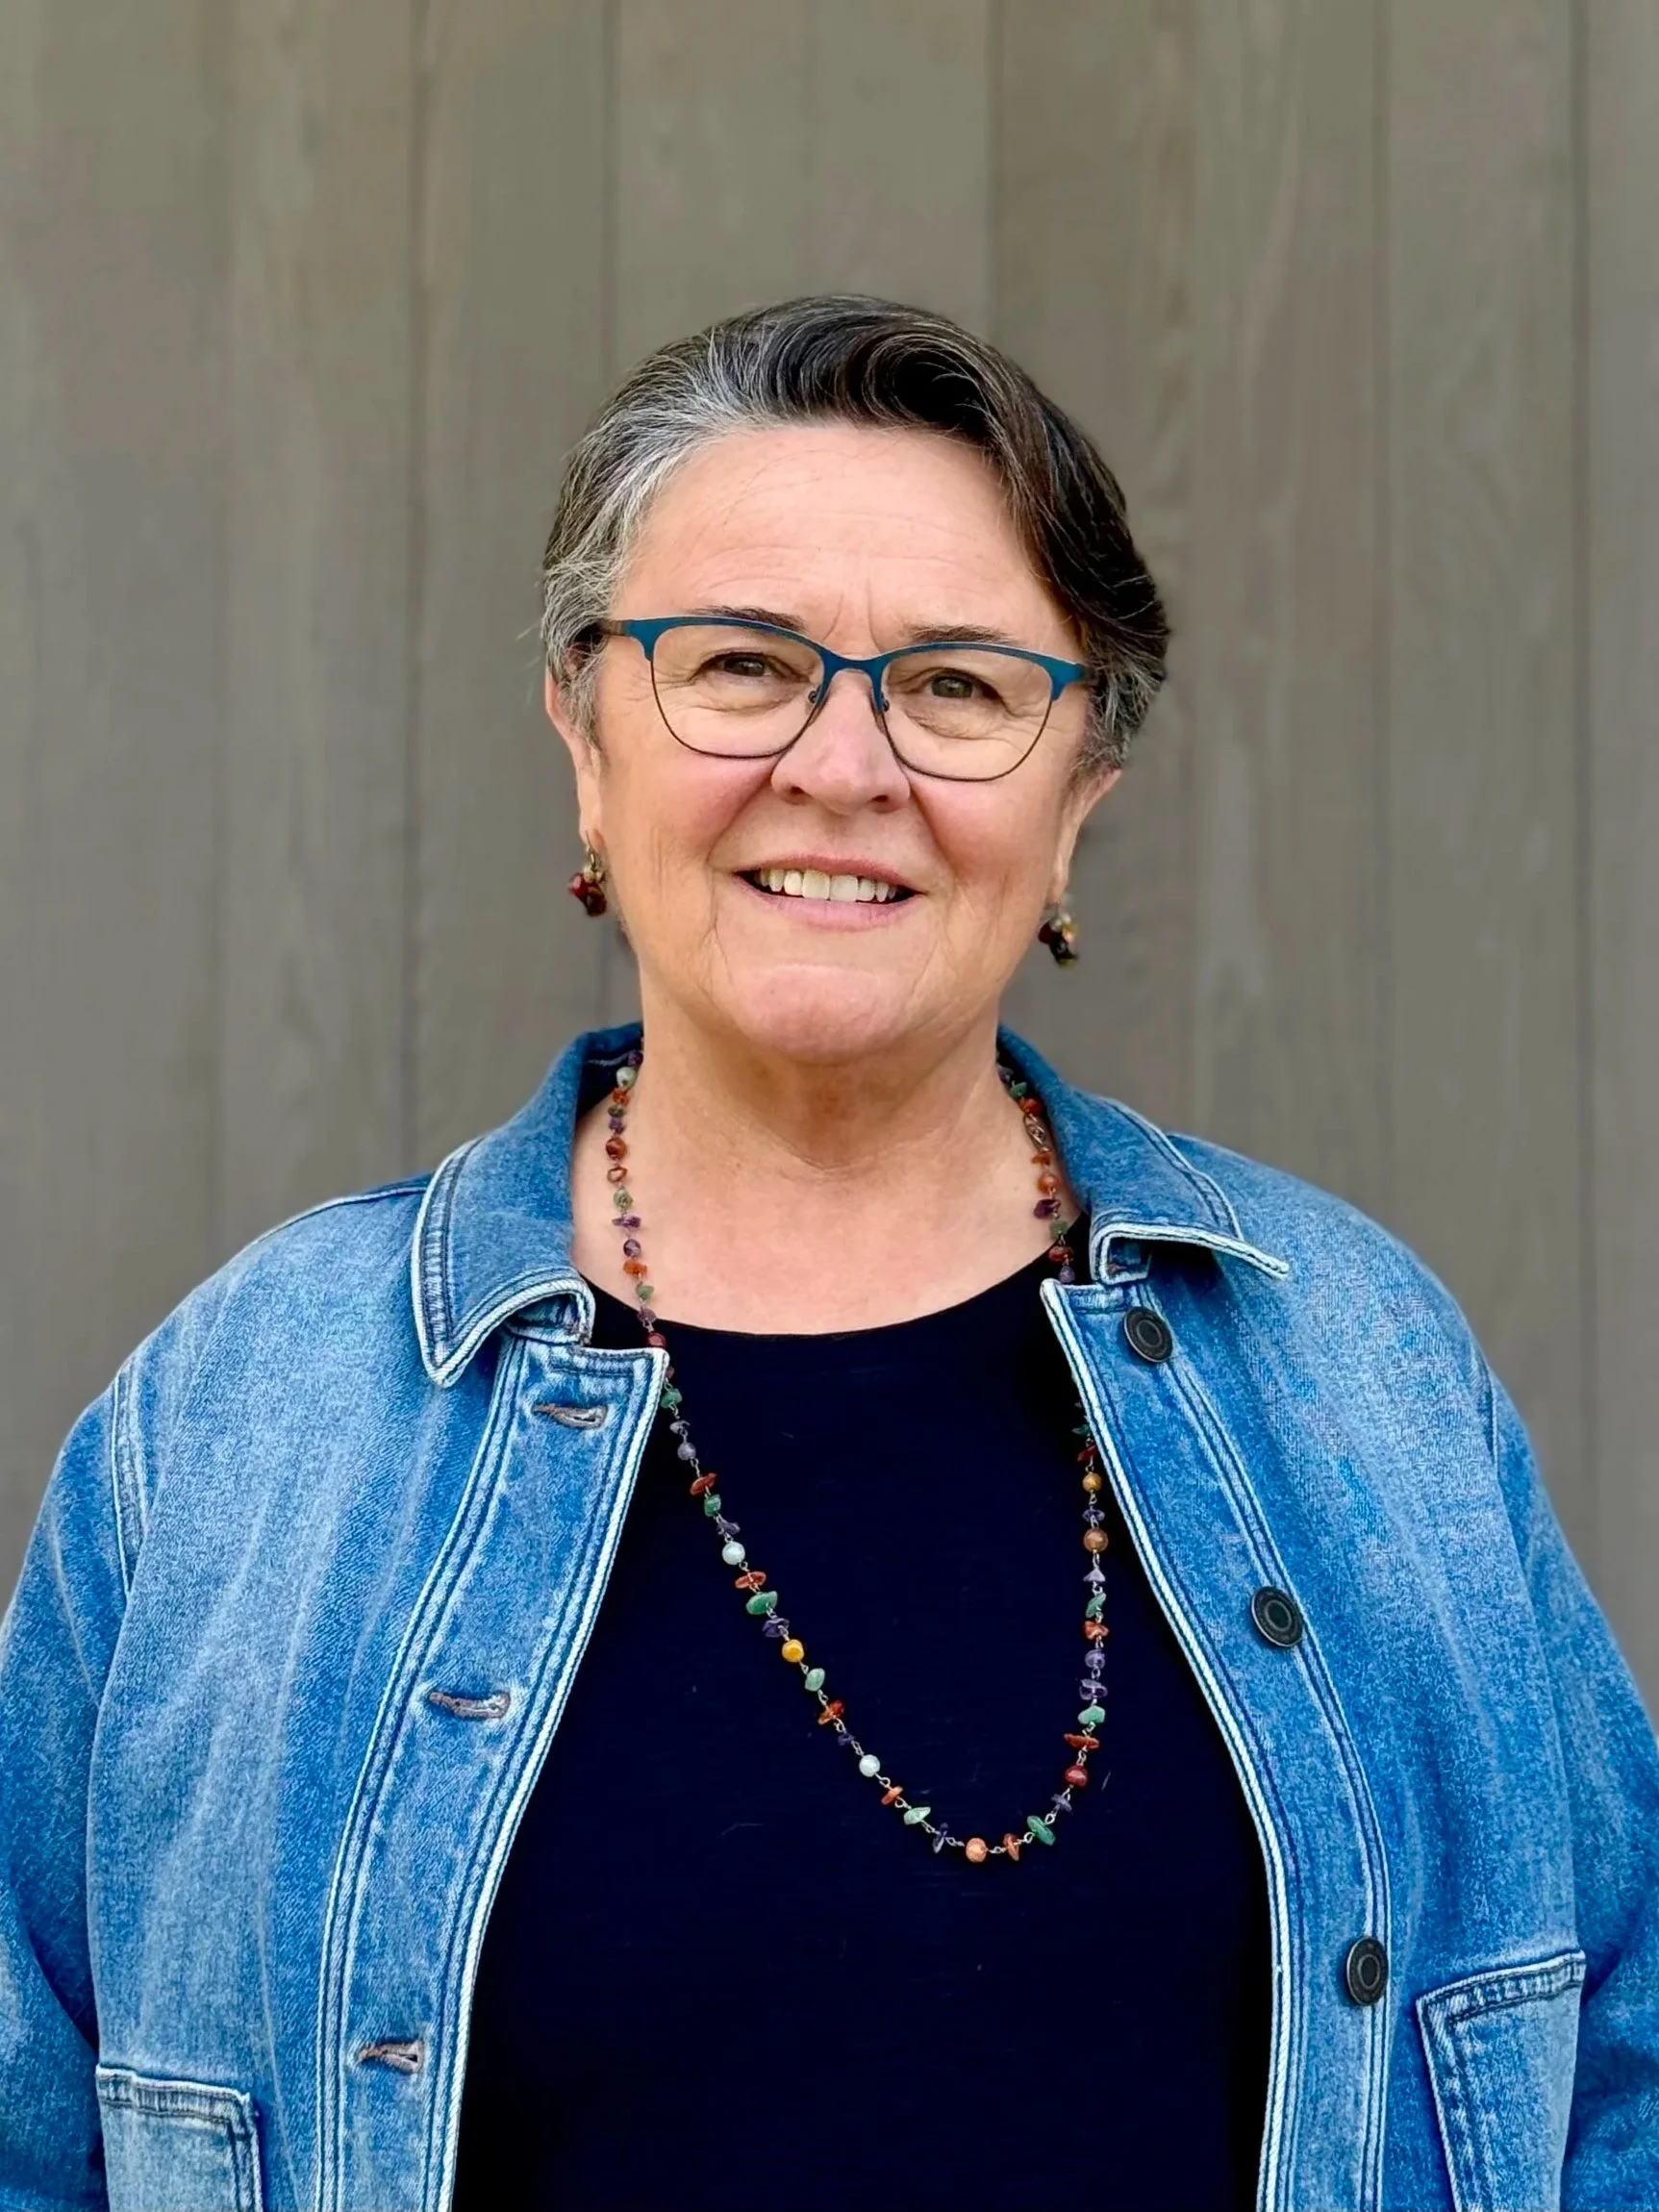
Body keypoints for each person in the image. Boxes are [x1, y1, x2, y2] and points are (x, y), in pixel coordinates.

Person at [2, 295, 1655, 2212]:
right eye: (736, 664)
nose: (842, 763)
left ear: (1076, 797)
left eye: (956, 686)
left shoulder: (1352, 1362)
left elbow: (1618, 2082)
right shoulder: (240, 1422)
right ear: (584, 736)